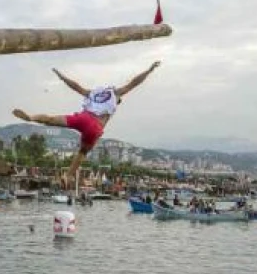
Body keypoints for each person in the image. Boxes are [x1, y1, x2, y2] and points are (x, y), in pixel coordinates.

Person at [13, 61, 161, 189]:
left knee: (51, 119)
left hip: (82, 118)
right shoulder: (116, 94)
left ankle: (31, 117)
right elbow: (134, 83)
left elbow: (75, 86)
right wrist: (149, 70)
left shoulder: (92, 93)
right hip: (94, 126)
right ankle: (68, 176)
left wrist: (61, 76)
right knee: (82, 153)